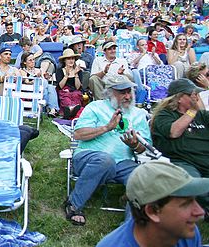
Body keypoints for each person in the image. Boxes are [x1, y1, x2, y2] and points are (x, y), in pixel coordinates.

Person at [63, 75, 152, 226]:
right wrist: (106, 128)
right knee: (106, 160)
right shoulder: (95, 107)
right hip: (89, 159)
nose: (128, 96)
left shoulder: (138, 114)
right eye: (122, 92)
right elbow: (78, 134)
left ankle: (133, 224)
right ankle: (73, 204)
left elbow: (145, 146)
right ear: (110, 93)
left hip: (123, 163)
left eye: (129, 91)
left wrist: (134, 145)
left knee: (141, 176)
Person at [96, 161, 207, 247]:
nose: (200, 212)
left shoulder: (183, 231)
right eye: (186, 204)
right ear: (152, 211)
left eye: (194, 200)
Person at [150, 78, 209, 214]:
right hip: (184, 162)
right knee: (195, 184)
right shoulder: (164, 115)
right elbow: (174, 132)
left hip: (205, 160)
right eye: (193, 95)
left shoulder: (201, 116)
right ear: (180, 98)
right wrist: (192, 111)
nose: (197, 98)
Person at [55, 48, 84, 119]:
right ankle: (70, 111)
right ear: (64, 60)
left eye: (72, 58)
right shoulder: (59, 71)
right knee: (66, 97)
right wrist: (66, 75)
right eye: (68, 59)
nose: (71, 60)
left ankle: (71, 112)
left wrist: (76, 74)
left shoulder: (79, 71)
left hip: (75, 92)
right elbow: (60, 86)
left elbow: (78, 87)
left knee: (76, 95)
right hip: (64, 92)